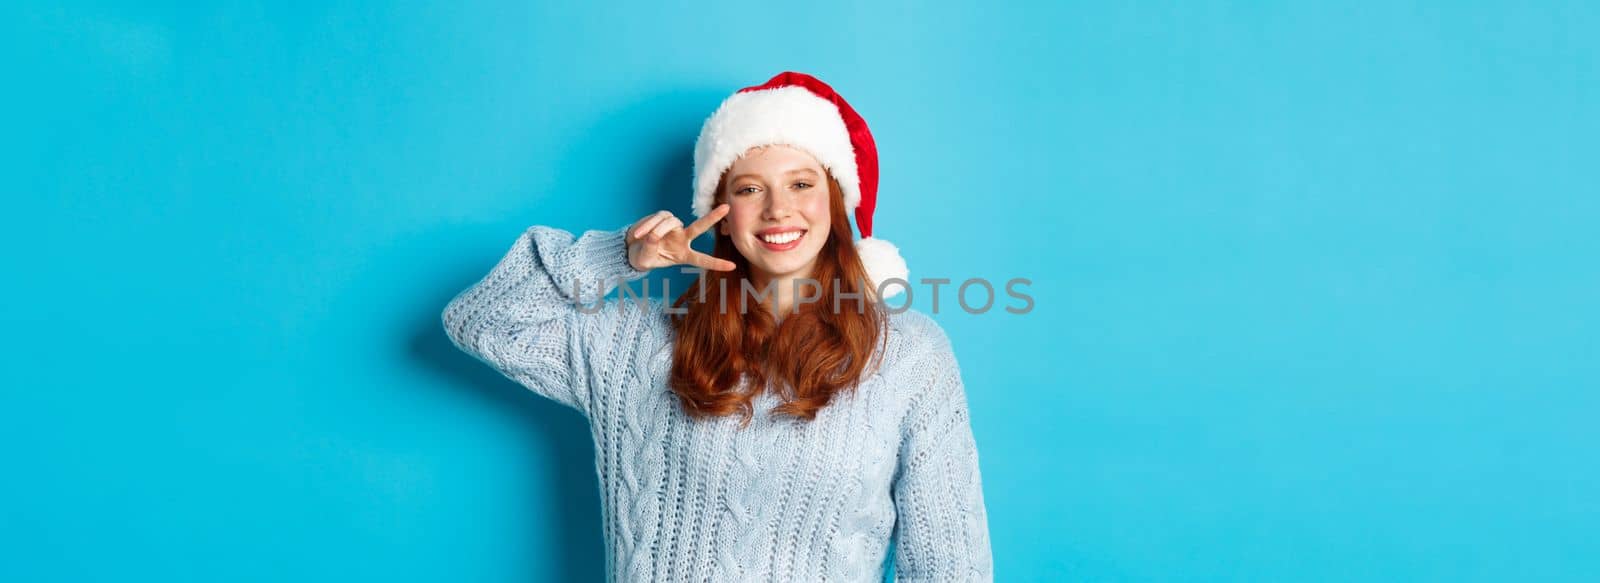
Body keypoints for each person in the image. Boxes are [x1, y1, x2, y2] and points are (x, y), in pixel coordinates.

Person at [442, 71, 993, 582]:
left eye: (801, 184)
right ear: (721, 208)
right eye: (750, 189)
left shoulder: (909, 354)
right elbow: (481, 321)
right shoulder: (635, 340)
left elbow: (951, 566)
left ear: (834, 200)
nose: (778, 209)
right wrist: (619, 257)